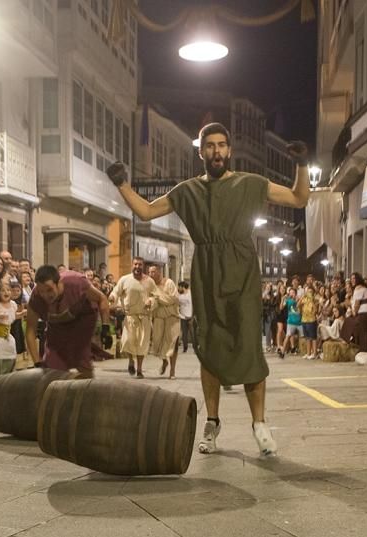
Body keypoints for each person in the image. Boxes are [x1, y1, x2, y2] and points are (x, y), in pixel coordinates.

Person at [107, 122, 308, 456]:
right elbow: (145, 210)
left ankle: (259, 424)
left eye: (221, 145)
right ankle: (212, 422)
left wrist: (302, 164)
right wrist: (122, 183)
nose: (216, 151)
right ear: (200, 152)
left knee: (248, 345)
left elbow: (300, 197)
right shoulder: (187, 191)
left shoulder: (250, 183)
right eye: (209, 146)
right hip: (206, 271)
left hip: (242, 268)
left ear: (229, 150)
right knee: (209, 344)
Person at [26, 265, 112, 379]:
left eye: (49, 290)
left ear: (58, 283)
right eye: (41, 291)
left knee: (80, 358)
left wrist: (105, 328)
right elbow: (30, 330)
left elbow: (102, 298)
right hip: (57, 326)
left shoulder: (76, 282)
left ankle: (86, 388)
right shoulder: (36, 297)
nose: (45, 295)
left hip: (82, 320)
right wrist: (37, 362)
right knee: (52, 368)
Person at [111, 258, 155, 378]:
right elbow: (116, 291)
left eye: (140, 265)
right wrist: (112, 298)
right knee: (128, 341)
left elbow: (155, 296)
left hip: (144, 318)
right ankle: (131, 361)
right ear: (132, 265)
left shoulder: (149, 281)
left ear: (143, 266)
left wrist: (151, 301)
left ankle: (139, 369)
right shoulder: (125, 279)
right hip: (130, 317)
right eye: (135, 264)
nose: (137, 266)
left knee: (142, 344)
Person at [148, 263, 181, 378]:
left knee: (173, 343)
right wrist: (152, 302)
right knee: (158, 343)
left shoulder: (169, 283)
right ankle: (164, 361)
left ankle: (172, 371)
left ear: (159, 272)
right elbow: (152, 302)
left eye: (153, 272)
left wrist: (158, 299)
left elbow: (174, 299)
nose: (150, 274)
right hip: (158, 319)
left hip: (172, 318)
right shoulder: (151, 287)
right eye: (149, 272)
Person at [178, 280, 193, 353]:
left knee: (192, 333)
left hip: (190, 316)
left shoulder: (190, 294)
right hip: (183, 317)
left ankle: (196, 347)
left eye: (180, 287)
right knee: (184, 333)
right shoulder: (179, 296)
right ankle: (185, 348)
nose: (179, 288)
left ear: (183, 287)